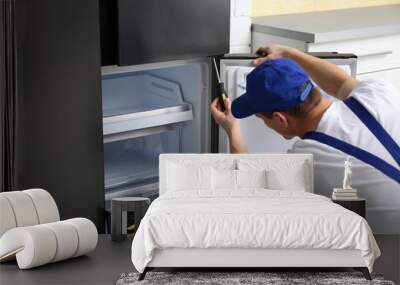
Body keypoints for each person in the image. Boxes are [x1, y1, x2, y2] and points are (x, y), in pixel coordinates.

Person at [210, 44, 400, 233]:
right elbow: (341, 83)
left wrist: (232, 128)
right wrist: (289, 53)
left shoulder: (307, 160)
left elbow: (252, 193)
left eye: (260, 118)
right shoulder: (379, 94)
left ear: (280, 119)